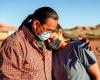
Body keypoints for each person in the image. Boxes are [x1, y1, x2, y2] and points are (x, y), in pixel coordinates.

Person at [0, 7, 59, 80]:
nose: (49, 34)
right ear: (36, 24)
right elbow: (9, 77)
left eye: (52, 31)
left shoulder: (43, 39)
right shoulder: (14, 44)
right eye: (48, 30)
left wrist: (56, 40)